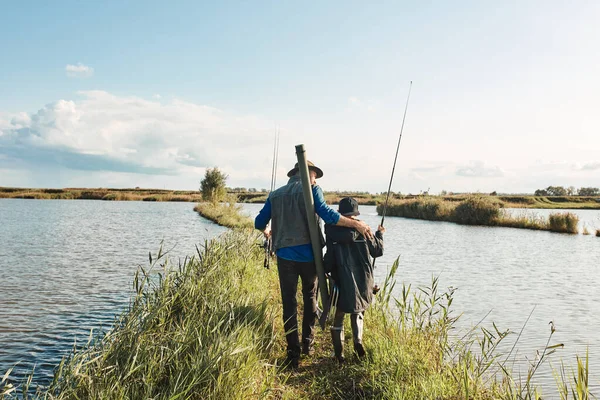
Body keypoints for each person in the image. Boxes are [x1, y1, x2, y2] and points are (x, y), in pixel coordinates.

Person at [255, 161, 373, 368]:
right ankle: (307, 345)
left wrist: (267, 231)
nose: (316, 179)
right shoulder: (313, 190)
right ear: (308, 174)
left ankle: (293, 354)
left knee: (289, 302)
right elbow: (327, 215)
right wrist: (357, 224)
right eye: (314, 175)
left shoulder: (275, 195)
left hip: (284, 256)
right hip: (310, 255)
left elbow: (258, 223)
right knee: (310, 298)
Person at [324, 197, 384, 363]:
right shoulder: (363, 228)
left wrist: (324, 270)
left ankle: (339, 355)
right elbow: (377, 251)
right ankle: (358, 341)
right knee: (358, 310)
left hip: (341, 279)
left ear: (340, 213)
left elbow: (329, 257)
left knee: (339, 315)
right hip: (363, 278)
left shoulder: (330, 230)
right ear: (355, 213)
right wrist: (379, 234)